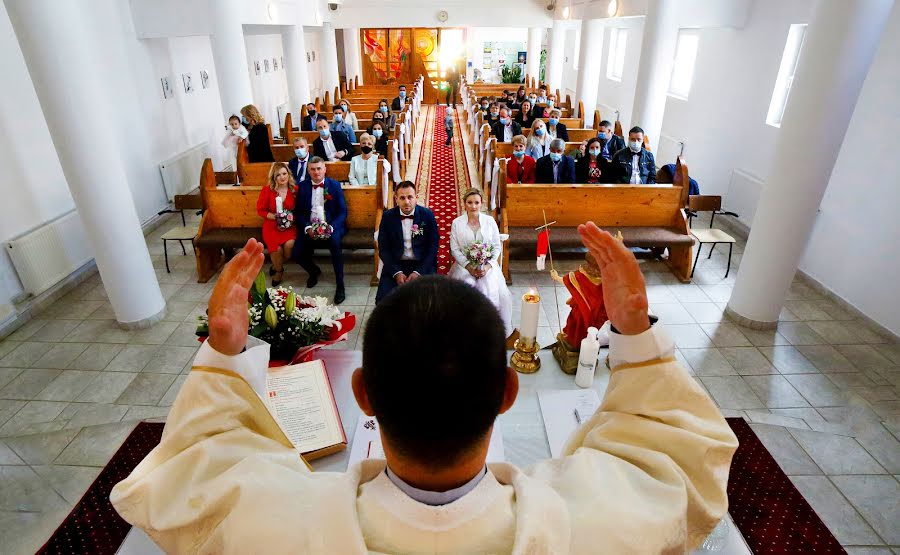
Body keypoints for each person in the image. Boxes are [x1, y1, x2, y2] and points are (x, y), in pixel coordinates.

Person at [110, 223, 738, 553]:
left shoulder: (272, 528)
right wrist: (635, 332)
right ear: (506, 395)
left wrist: (225, 348)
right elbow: (677, 461)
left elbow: (194, 465)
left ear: (363, 396)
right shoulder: (597, 527)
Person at [448, 188, 513, 337]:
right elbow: (455, 249)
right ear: (464, 204)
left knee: (491, 289)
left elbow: (497, 245)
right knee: (468, 286)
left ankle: (490, 328)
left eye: (476, 202)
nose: (473, 206)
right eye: (469, 202)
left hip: (488, 265)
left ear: (481, 203)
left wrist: (488, 265)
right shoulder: (457, 223)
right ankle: (467, 329)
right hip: (465, 266)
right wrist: (469, 267)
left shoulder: (489, 221)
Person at [291, 156, 347, 304]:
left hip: (331, 225)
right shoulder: (302, 187)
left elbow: (342, 212)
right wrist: (308, 227)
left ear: (325, 169)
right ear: (308, 171)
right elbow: (299, 212)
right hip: (310, 226)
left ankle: (340, 285)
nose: (316, 172)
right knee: (296, 253)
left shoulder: (334, 186)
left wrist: (330, 227)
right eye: (313, 169)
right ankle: (313, 271)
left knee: (335, 246)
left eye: (319, 169)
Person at [375, 181, 439, 303]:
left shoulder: (427, 215)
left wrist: (419, 272)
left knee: (429, 301)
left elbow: (433, 247)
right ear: (396, 199)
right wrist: (396, 272)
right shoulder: (388, 217)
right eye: (402, 198)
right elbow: (383, 248)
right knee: (383, 300)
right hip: (396, 263)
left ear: (416, 198)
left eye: (410, 197)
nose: (407, 202)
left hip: (422, 264)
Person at [255, 163, 297, 286]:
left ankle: (276, 264)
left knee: (289, 246)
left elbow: (299, 209)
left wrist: (289, 219)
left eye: (284, 174)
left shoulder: (295, 189)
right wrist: (275, 217)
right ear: (274, 177)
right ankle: (279, 271)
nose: (282, 177)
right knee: (276, 249)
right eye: (278, 175)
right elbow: (260, 210)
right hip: (271, 225)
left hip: (290, 225)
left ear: (288, 175)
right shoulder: (267, 190)